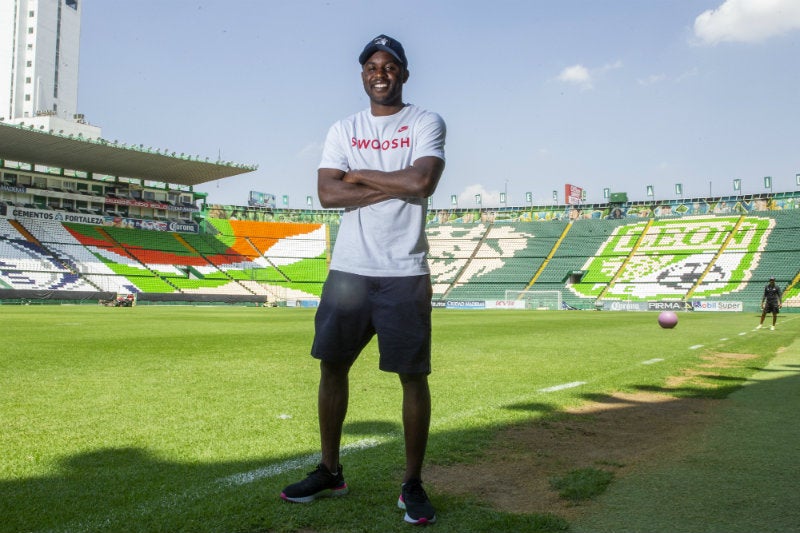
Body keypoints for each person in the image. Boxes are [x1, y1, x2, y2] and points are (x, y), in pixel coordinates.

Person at [279, 34, 446, 526]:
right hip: (349, 271)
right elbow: (327, 196)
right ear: (362, 75)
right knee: (332, 368)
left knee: (413, 378)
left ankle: (411, 483)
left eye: (390, 65)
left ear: (404, 74)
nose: (380, 72)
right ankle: (330, 470)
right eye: (372, 65)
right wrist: (384, 182)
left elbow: (422, 183)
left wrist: (358, 178)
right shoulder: (343, 128)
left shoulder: (424, 121)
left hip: (404, 271)